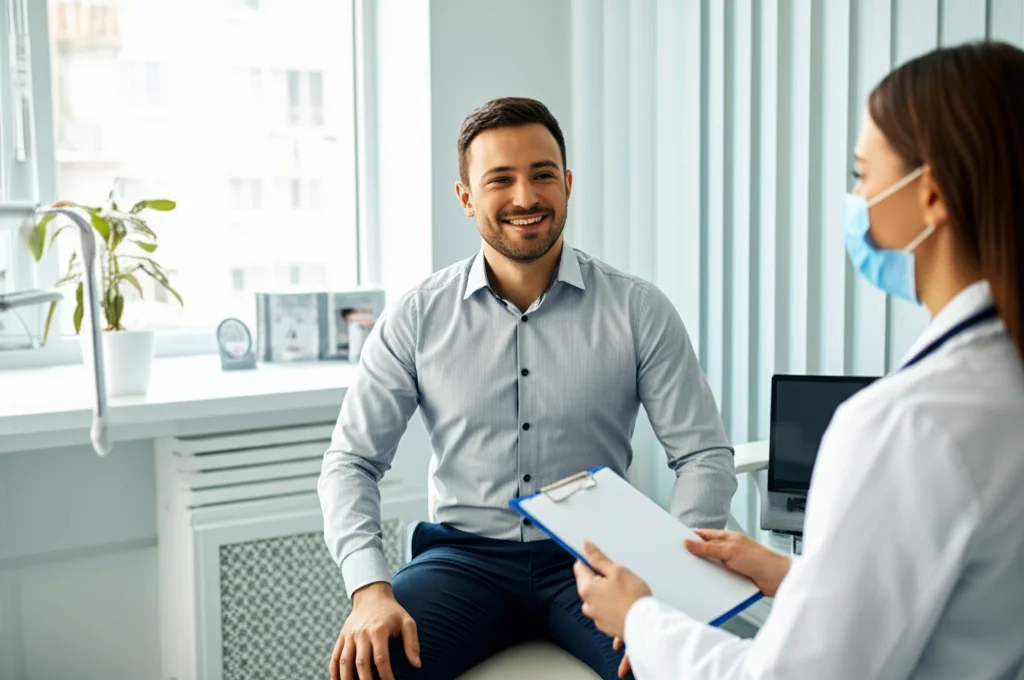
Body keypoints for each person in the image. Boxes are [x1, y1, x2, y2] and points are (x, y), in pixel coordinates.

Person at [572, 41, 1024, 679]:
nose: (856, 198)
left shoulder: (903, 426)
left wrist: (639, 617)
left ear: (930, 197)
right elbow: (958, 599)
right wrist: (791, 573)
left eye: (862, 174)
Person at [318, 97, 738, 680]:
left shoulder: (638, 309)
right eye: (500, 180)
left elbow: (703, 455)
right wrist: (369, 589)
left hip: (597, 560)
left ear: (566, 185)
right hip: (463, 558)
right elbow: (351, 462)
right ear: (466, 197)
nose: (525, 197)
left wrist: (666, 578)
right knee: (371, 666)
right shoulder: (416, 317)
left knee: (664, 665)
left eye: (543, 175)